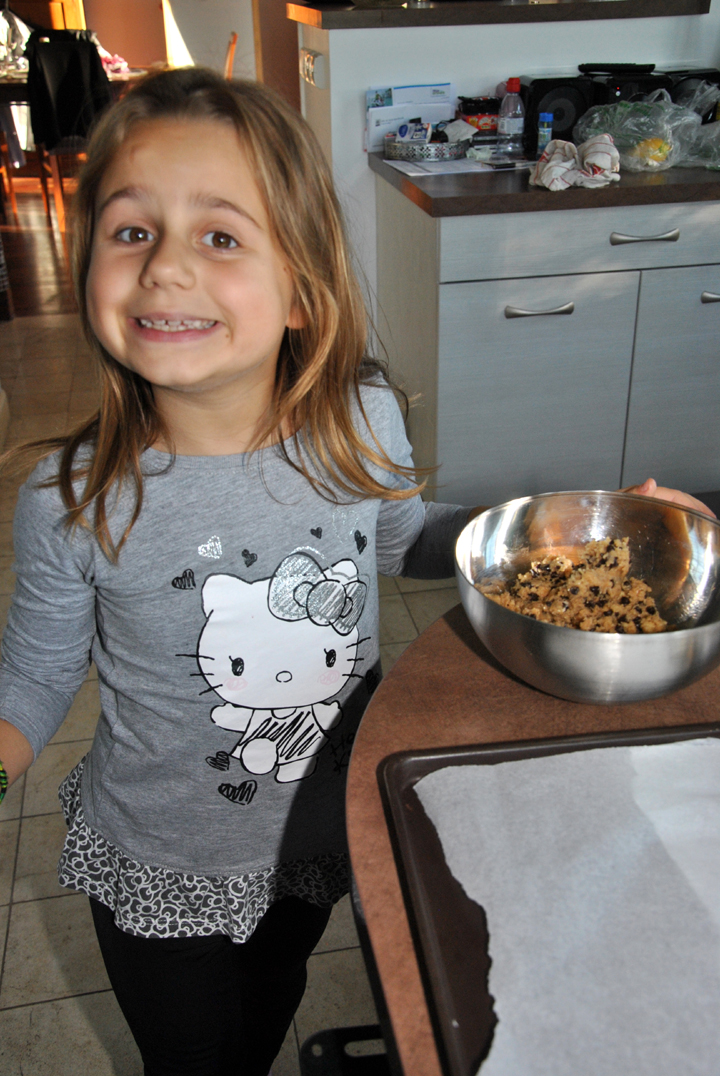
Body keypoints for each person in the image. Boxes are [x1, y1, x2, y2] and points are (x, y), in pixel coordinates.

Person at [0, 67, 711, 1076]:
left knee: (273, 1004)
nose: (165, 267)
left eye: (220, 236)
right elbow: (32, 680)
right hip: (163, 867)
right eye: (131, 230)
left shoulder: (359, 420)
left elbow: (407, 541)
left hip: (317, 837)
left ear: (301, 288)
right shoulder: (74, 498)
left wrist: (582, 536)